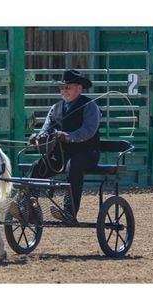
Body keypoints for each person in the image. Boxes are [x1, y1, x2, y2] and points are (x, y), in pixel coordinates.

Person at [27, 69, 102, 224]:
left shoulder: (90, 107)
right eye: (62, 87)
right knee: (37, 167)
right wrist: (38, 137)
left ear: (79, 88)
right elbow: (46, 129)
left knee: (73, 166)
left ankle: (69, 212)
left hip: (86, 153)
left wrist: (69, 136)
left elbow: (88, 130)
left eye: (68, 87)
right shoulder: (55, 108)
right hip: (60, 155)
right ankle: (28, 206)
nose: (64, 91)